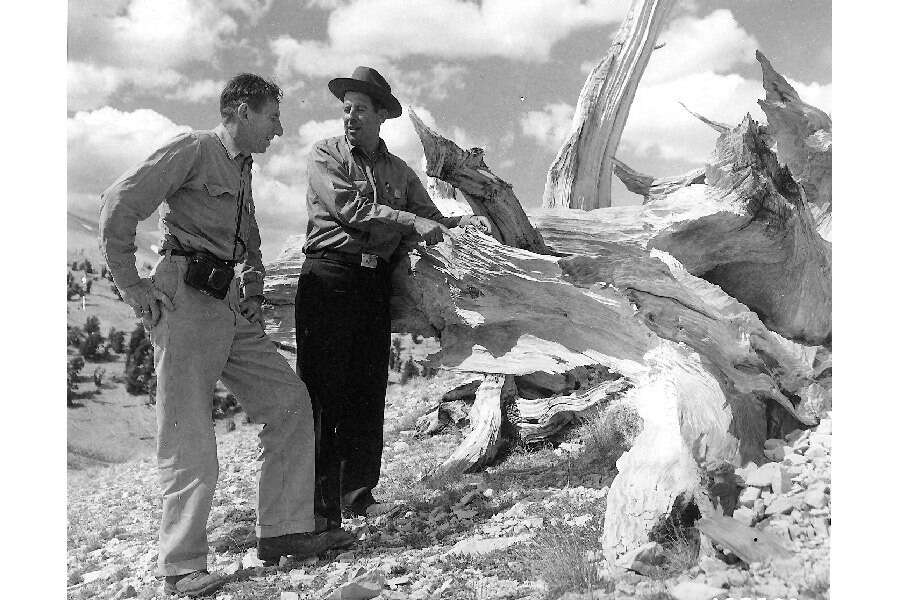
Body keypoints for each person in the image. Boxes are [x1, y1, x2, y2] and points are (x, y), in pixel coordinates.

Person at [99, 73, 354, 598]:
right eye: (272, 117)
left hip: (229, 303)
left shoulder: (242, 168)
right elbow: (117, 204)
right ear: (241, 110)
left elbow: (251, 238)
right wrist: (132, 287)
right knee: (189, 432)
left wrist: (254, 293)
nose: (279, 129)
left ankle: (284, 531)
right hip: (185, 301)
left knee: (287, 400)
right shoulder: (193, 150)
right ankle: (182, 565)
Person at [296, 66, 492, 530]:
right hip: (329, 278)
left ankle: (358, 495)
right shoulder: (325, 155)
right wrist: (410, 224)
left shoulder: (398, 171)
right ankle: (317, 510)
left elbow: (430, 216)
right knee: (322, 394)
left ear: (382, 114)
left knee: (367, 389)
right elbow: (352, 211)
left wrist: (464, 225)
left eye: (360, 110)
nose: (350, 117)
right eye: (346, 109)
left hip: (371, 286)